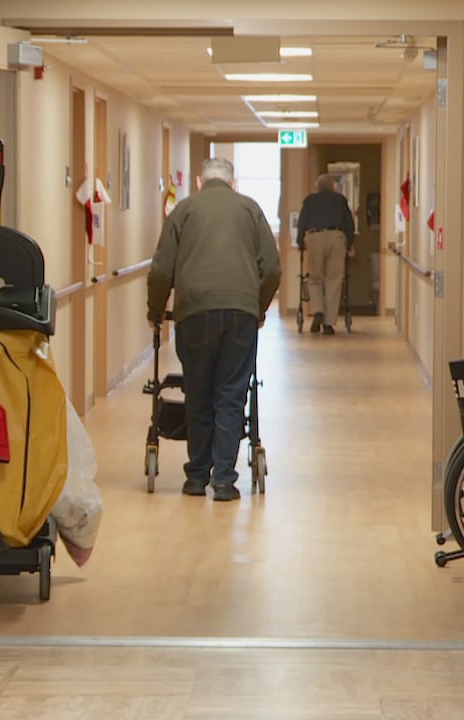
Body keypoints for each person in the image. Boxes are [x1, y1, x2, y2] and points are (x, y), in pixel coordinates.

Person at [147, 157, 282, 502]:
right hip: (240, 313)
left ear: (198, 181)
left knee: (199, 390)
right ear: (232, 182)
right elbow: (272, 269)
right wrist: (259, 308)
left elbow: (162, 269)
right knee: (231, 393)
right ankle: (224, 480)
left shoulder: (183, 210)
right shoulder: (250, 209)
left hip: (194, 312)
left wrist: (155, 311)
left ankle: (195, 477)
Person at [296, 174, 355, 334]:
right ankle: (329, 323)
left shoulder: (309, 201)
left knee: (315, 278)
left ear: (317, 187)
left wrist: (300, 242)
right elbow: (349, 223)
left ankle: (318, 311)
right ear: (333, 187)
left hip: (315, 238)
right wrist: (349, 242)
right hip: (336, 237)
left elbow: (302, 222)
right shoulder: (340, 200)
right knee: (334, 280)